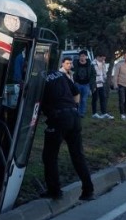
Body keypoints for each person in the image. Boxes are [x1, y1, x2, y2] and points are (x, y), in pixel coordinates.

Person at [40, 56, 95, 201]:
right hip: (74, 116)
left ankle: (55, 191)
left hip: (58, 119)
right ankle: (88, 190)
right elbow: (76, 93)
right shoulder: (60, 75)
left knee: (49, 156)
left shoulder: (38, 78)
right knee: (77, 155)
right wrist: (73, 109)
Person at [72, 50, 96, 118]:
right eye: (81, 56)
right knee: (77, 99)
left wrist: (92, 84)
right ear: (79, 57)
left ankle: (82, 113)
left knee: (84, 99)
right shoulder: (75, 64)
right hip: (77, 84)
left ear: (86, 57)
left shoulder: (90, 65)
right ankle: (76, 112)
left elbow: (93, 74)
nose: (82, 57)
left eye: (83, 56)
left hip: (86, 84)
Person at [91, 53, 113, 119]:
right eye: (102, 58)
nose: (103, 60)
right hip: (95, 83)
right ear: (98, 57)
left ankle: (104, 113)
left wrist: (106, 80)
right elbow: (92, 75)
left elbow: (104, 73)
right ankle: (94, 113)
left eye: (104, 59)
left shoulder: (103, 63)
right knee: (95, 98)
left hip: (101, 83)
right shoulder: (93, 64)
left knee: (103, 98)